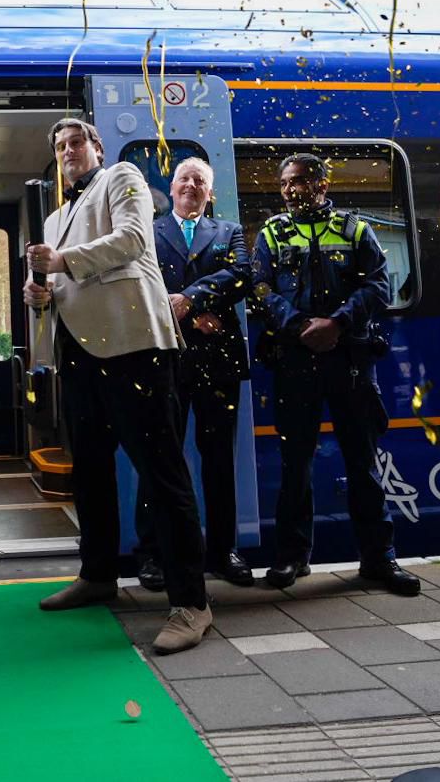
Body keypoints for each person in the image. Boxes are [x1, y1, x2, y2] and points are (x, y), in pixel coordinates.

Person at [23, 118, 210, 656]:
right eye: (59, 147)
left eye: (76, 142)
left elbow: (130, 240)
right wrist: (42, 292)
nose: (67, 152)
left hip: (136, 349)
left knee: (162, 474)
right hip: (79, 354)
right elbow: (57, 283)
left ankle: (192, 603)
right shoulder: (57, 215)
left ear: (98, 148)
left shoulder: (122, 178)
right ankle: (99, 574)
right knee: (92, 473)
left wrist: (60, 263)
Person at [251, 153, 420, 595]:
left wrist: (337, 324)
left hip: (349, 361)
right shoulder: (271, 234)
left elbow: (377, 285)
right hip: (294, 361)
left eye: (299, 182)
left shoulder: (356, 230)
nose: (290, 190)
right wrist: (299, 327)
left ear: (321, 185)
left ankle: (379, 560)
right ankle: (291, 558)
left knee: (362, 462)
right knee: (295, 465)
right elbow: (261, 289)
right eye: (285, 183)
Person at [135, 157, 255, 590]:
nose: (191, 185)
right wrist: (187, 316)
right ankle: (153, 554)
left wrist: (191, 299)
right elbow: (135, 281)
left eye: (200, 181)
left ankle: (223, 552)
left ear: (210, 191)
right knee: (160, 460)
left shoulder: (230, 232)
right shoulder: (147, 232)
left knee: (219, 459)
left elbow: (243, 273)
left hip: (217, 364)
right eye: (185, 178)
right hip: (163, 362)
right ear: (172, 186)